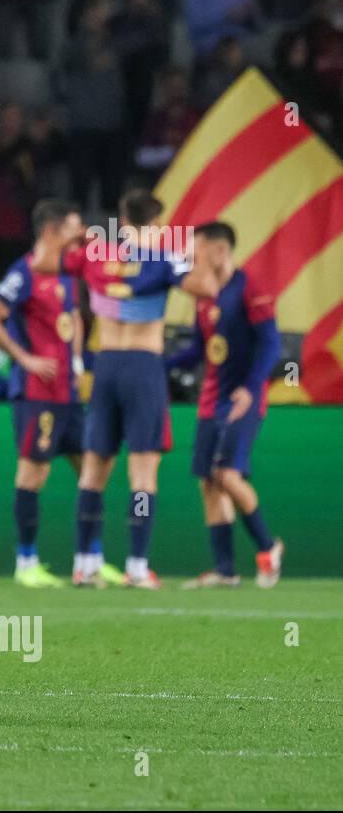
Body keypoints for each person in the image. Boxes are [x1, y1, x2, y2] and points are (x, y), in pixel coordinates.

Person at [63, 191, 220, 589]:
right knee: (143, 475)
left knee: (93, 473)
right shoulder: (165, 259)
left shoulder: (97, 255)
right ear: (156, 223)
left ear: (121, 218)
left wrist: (80, 237)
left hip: (106, 366)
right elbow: (207, 288)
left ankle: (84, 564)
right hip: (144, 368)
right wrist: (194, 252)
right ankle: (136, 566)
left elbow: (60, 256)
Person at [0, 200, 94, 588]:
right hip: (36, 394)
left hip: (68, 393)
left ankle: (89, 562)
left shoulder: (67, 275)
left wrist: (75, 360)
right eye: (74, 229)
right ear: (50, 232)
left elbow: (72, 316)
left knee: (91, 470)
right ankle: (26, 563)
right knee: (33, 473)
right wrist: (24, 358)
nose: (81, 236)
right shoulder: (23, 273)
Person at [165, 222, 283, 589]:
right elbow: (200, 351)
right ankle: (225, 570)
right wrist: (159, 362)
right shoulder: (204, 296)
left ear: (218, 250)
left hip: (243, 398)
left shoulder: (250, 286)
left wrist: (250, 389)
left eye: (196, 250)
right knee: (209, 482)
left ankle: (269, 547)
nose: (191, 259)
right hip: (210, 401)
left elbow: (271, 345)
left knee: (228, 475)